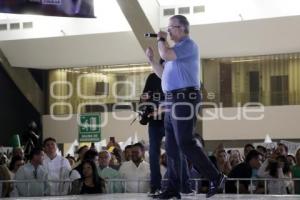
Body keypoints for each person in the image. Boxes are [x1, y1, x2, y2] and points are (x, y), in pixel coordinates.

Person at [145, 14, 225, 199]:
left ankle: (216, 177)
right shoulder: (175, 52)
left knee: (185, 142)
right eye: (168, 27)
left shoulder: (188, 45)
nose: (169, 30)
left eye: (171, 27)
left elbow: (165, 53)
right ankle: (173, 188)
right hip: (172, 100)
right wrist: (151, 60)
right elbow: (162, 74)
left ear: (182, 28)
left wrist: (161, 39)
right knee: (172, 146)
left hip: (185, 98)